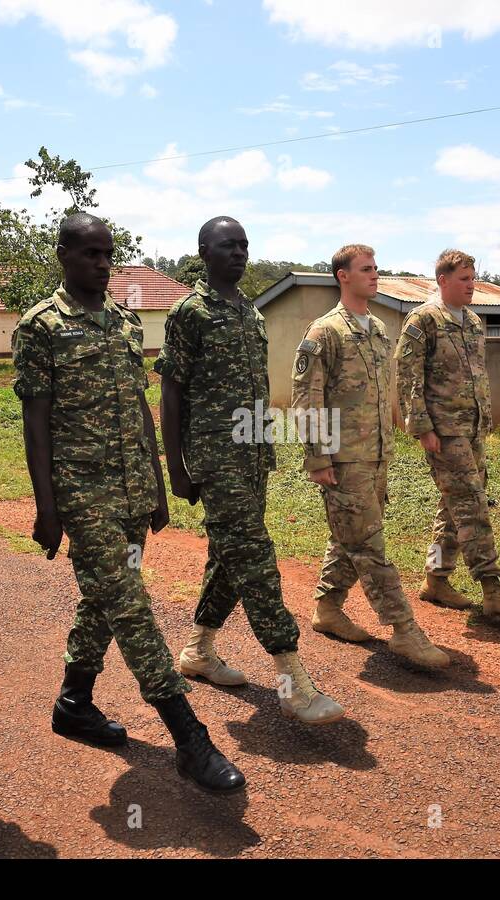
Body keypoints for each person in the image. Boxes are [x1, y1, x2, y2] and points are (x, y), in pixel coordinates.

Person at [12, 213, 244, 794]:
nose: (101, 263)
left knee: (104, 599)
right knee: (130, 604)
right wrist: (47, 505)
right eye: (89, 253)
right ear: (63, 253)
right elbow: (34, 421)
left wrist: (159, 485)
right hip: (81, 493)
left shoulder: (123, 321)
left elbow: (139, 406)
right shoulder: (40, 326)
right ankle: (188, 735)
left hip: (132, 488)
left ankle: (74, 700)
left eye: (107, 253)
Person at [157, 216, 344, 724]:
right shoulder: (189, 313)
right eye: (227, 245)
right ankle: (293, 681)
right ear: (203, 251)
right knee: (256, 559)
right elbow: (171, 392)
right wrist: (175, 466)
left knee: (229, 557)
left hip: (252, 454)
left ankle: (198, 651)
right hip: (215, 460)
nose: (238, 253)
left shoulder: (250, 312)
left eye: (244, 245)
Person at [291, 243, 449, 670]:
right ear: (343, 276)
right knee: (368, 544)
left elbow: (386, 394)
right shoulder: (324, 332)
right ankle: (404, 630)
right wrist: (318, 458)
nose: (374, 275)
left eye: (376, 268)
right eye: (365, 269)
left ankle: (327, 608)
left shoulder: (378, 328)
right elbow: (307, 400)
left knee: (351, 535)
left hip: (376, 457)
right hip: (343, 459)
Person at [395, 249, 500, 618]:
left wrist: (483, 419)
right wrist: (422, 427)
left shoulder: (472, 321)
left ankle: (436, 579)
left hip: (472, 428)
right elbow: (408, 377)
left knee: (452, 508)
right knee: (471, 503)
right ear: (443, 280)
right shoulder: (422, 320)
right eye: (464, 278)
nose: (472, 285)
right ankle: (492, 586)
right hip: (443, 431)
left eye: (473, 278)